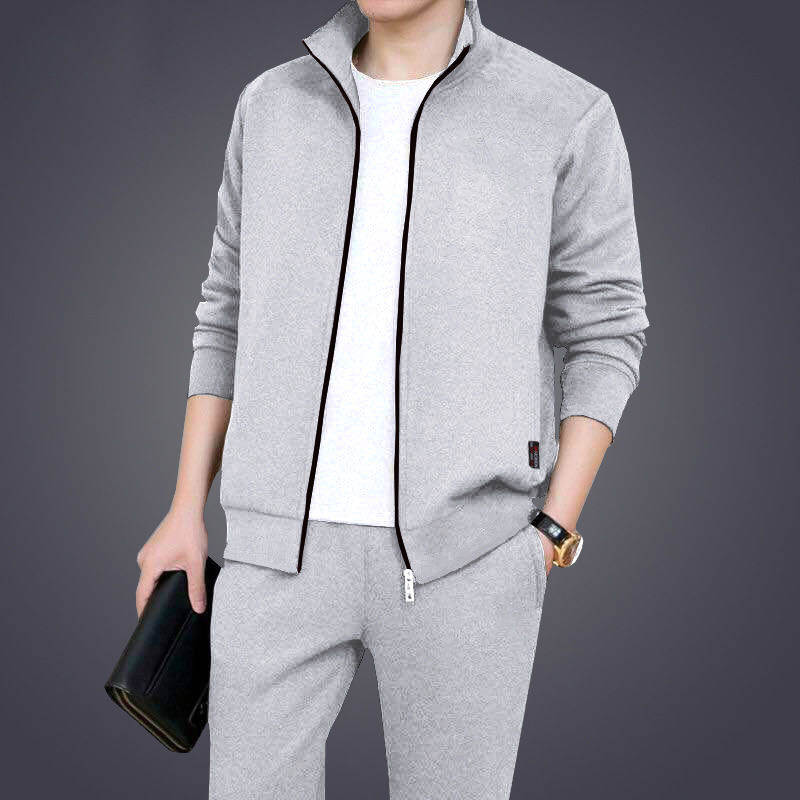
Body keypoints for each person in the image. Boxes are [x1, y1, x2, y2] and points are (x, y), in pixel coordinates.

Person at [135, 0, 649, 797]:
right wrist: (184, 510)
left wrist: (552, 528)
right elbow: (225, 315)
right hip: (272, 560)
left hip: (468, 564)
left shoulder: (561, 114)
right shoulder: (270, 106)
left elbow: (607, 329)